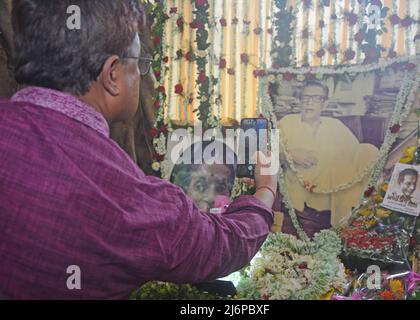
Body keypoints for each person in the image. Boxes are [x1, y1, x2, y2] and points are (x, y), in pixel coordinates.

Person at [0, 0, 277, 299]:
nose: (142, 73)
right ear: (112, 74)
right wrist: (265, 191)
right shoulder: (120, 197)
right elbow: (219, 246)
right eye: (139, 62)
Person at [277, 80, 378, 238]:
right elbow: (267, 156)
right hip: (305, 189)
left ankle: (367, 209)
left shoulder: (335, 125)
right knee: (342, 168)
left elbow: (357, 155)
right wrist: (289, 154)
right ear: (300, 100)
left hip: (335, 187)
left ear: (324, 103)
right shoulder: (286, 123)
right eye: (306, 97)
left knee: (368, 150)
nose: (310, 103)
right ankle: (350, 226)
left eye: (316, 99)